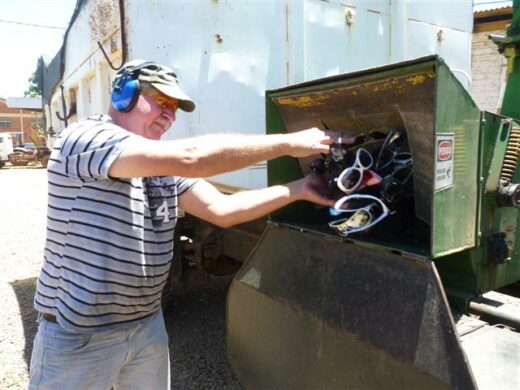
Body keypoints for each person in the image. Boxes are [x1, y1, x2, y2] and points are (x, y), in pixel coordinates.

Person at [29, 59, 350, 389]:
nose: (169, 115)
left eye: (175, 108)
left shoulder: (159, 166)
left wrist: (298, 189)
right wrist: (288, 143)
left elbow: (221, 209)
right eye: (162, 101)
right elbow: (193, 158)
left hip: (145, 327)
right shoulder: (85, 139)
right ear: (123, 94)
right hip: (79, 335)